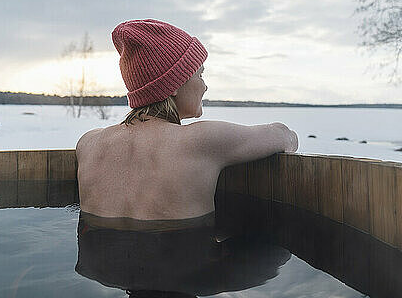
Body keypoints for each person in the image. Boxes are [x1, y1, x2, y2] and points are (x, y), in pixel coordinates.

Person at [75, 19, 298, 221]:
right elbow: (283, 135)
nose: (205, 85)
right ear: (173, 85)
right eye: (200, 75)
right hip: (185, 264)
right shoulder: (200, 141)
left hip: (100, 263)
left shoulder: (88, 144)